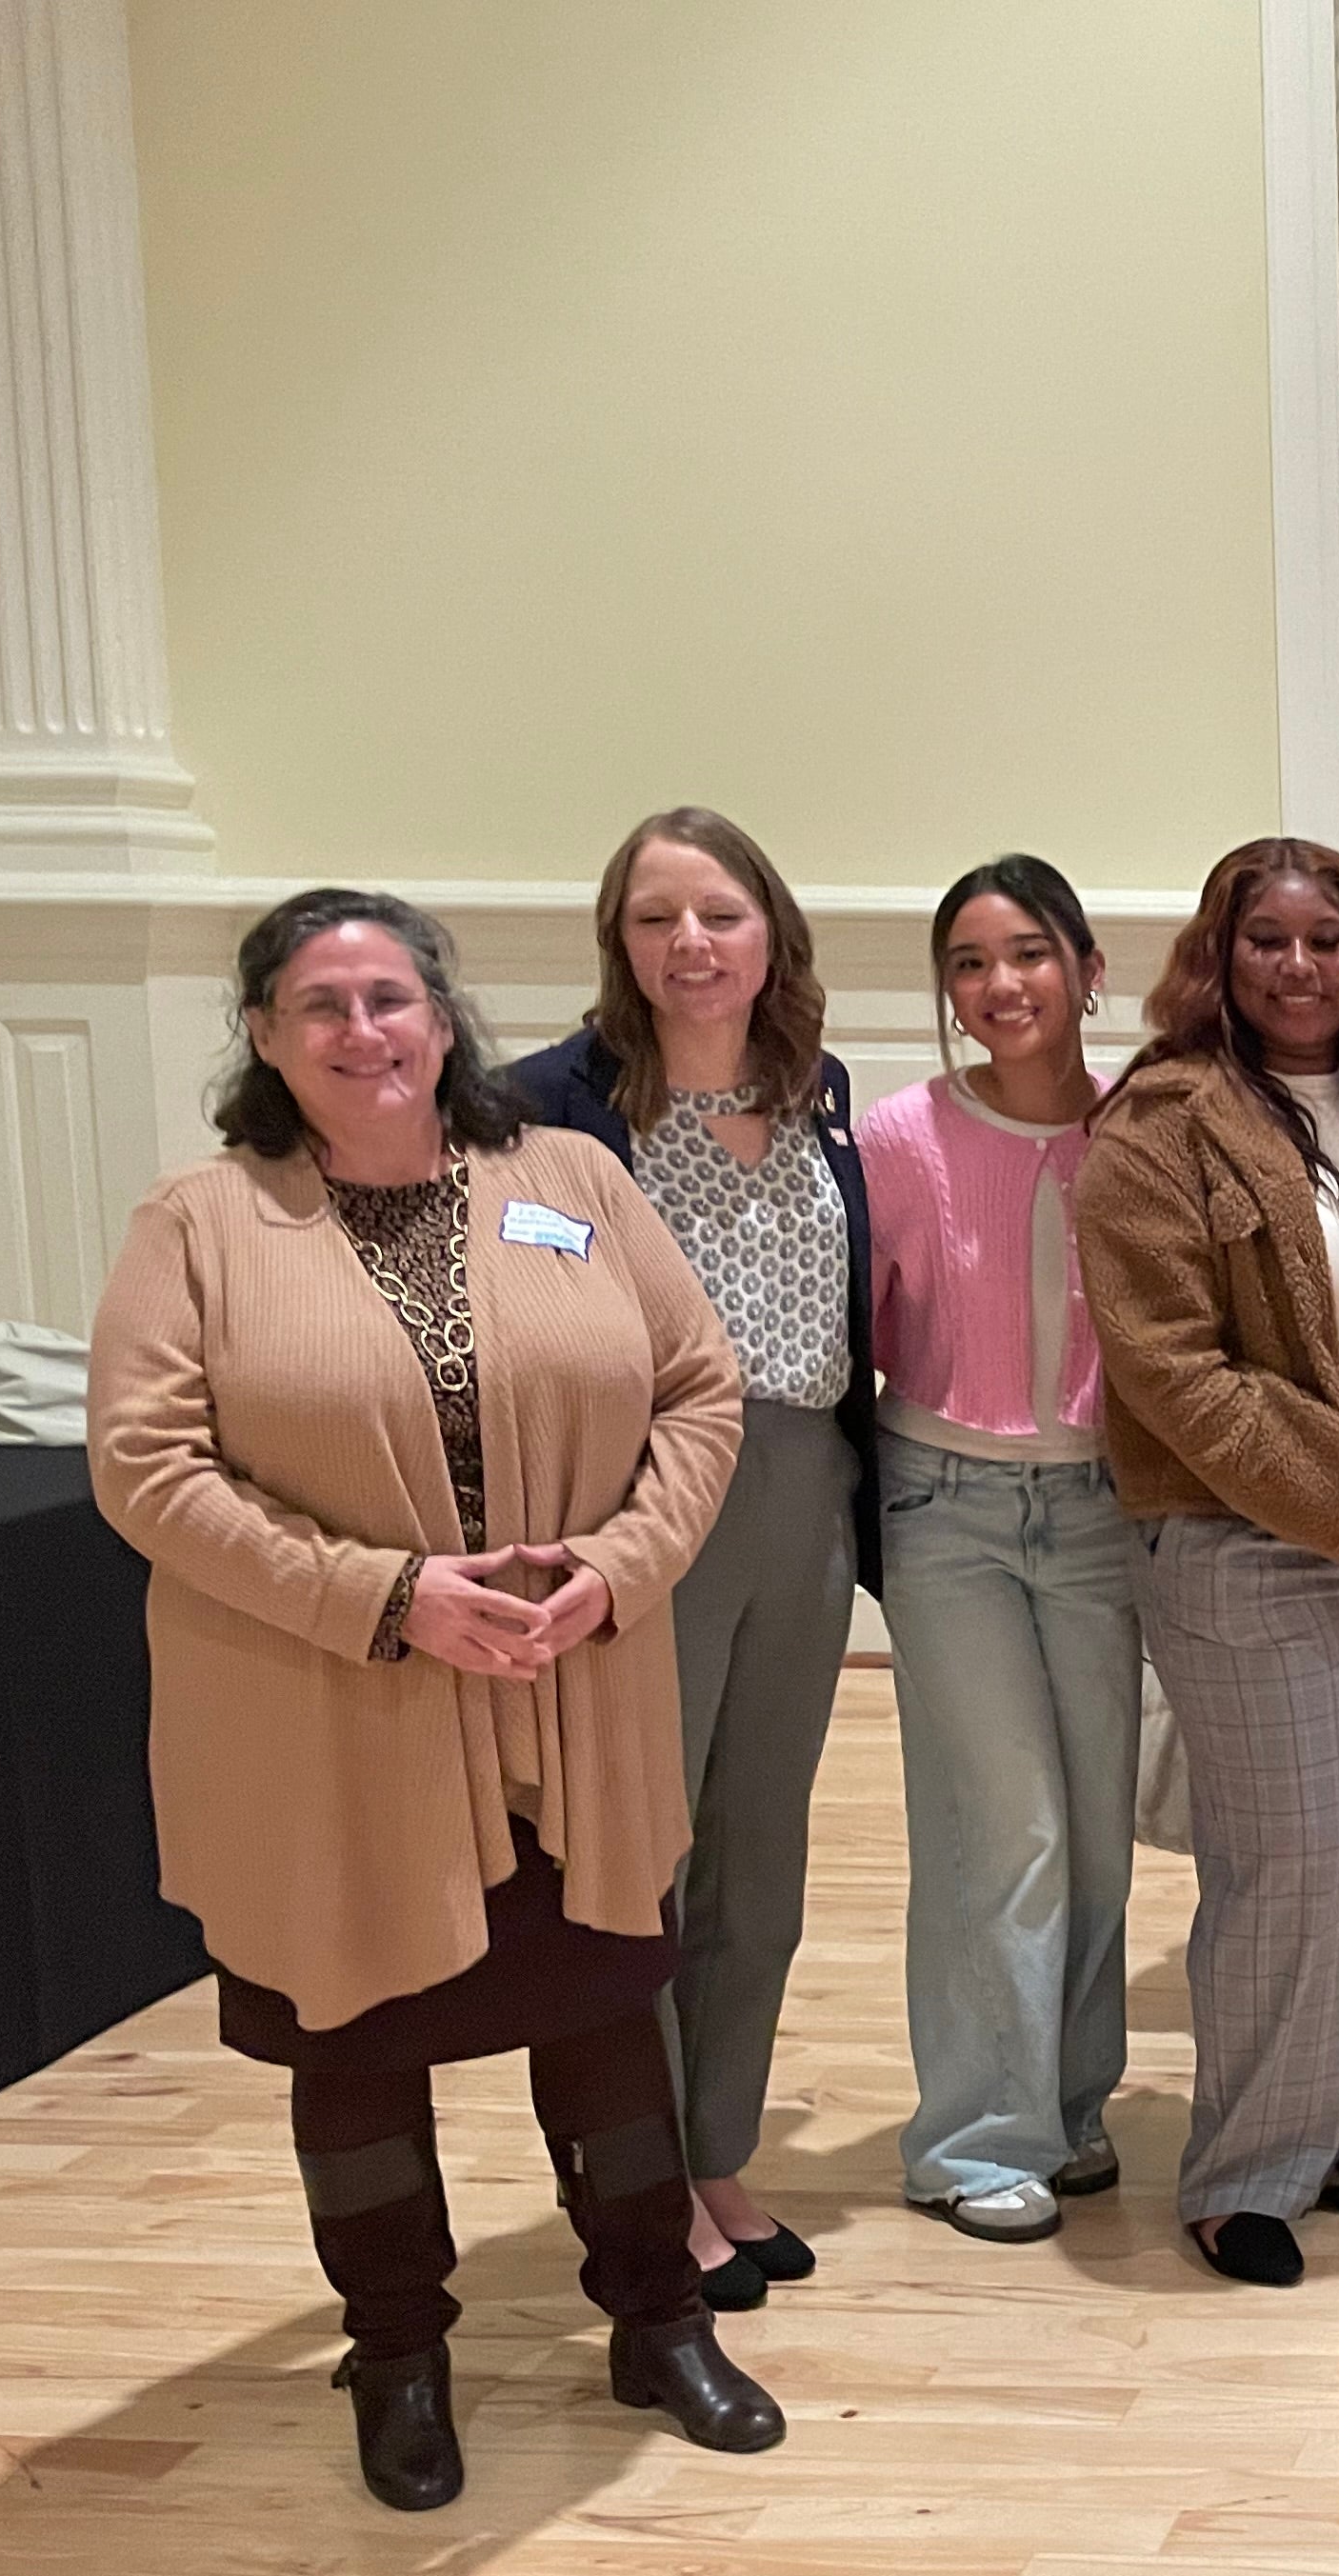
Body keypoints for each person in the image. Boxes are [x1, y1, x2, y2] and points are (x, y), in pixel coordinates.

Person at [90, 889, 778, 2509]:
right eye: (318, 1003)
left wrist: (622, 1562)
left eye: (388, 996)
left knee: (607, 2017)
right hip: (332, 1715)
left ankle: (657, 2317)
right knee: (357, 2040)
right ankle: (395, 2349)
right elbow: (143, 1464)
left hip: (571, 1696)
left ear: (443, 1018)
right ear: (263, 1034)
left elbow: (696, 1385)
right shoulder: (199, 1224)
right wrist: (388, 1600)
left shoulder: (569, 1182)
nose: (361, 1030)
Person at [1074, 837, 1339, 2287]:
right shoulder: (1160, 1124)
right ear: (1221, 953)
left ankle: (1318, 2131)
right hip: (1246, 1541)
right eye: (1268, 938)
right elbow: (1172, 1369)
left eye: (1330, 938)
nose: (1302, 965)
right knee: (1282, 1865)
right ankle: (1241, 2171)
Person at [514, 807, 877, 2313]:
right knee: (631, 1858)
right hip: (643, 1503)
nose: (690, 944)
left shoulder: (821, 1092)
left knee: (759, 1856)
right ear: (620, 943)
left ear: (769, 931)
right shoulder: (551, 1107)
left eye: (717, 913)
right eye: (656, 918)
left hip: (804, 1493)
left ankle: (717, 2147)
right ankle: (635, 2173)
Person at [861, 857, 1136, 2244]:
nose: (999, 986)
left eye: (1027, 953)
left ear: (1088, 970)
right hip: (946, 1512)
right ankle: (975, 2138)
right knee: (1001, 1825)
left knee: (1093, 1823)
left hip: (1099, 1514)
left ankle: (1073, 2106)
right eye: (968, 963)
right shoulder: (899, 1138)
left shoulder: (1142, 1132)